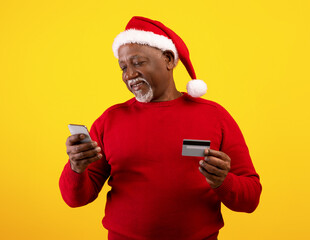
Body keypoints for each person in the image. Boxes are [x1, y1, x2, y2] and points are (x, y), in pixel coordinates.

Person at [59, 16, 262, 240]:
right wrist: (76, 168)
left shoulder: (215, 116)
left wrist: (224, 181)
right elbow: (75, 199)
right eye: (123, 67)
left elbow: (250, 199)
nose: (129, 75)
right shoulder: (110, 120)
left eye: (137, 63)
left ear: (168, 59)